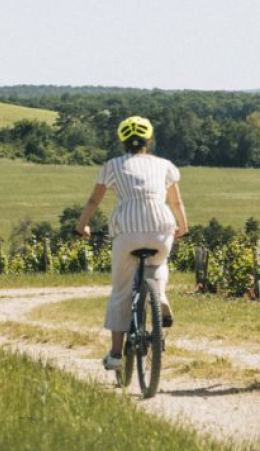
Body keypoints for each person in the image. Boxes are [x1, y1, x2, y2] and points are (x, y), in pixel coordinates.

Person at [75, 115, 189, 371]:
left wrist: (81, 226)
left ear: (123, 140)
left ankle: (116, 355)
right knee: (158, 263)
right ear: (149, 140)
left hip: (127, 230)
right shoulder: (165, 166)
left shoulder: (112, 166)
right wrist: (184, 226)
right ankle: (158, 294)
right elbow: (176, 202)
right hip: (162, 226)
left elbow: (94, 201)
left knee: (121, 291)